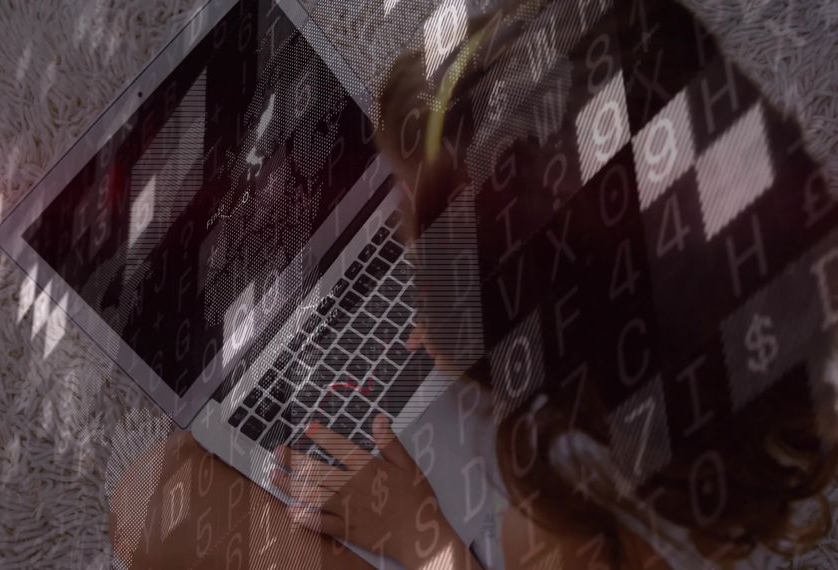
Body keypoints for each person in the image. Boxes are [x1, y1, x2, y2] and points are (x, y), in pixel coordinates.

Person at [110, 1, 838, 567]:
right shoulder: (731, 299)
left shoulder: (575, 518)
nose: (396, 250)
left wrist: (410, 532)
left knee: (149, 507)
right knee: (176, 474)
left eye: (417, 253)